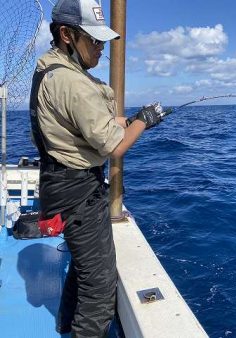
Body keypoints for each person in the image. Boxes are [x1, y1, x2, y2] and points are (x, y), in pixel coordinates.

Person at [29, 0, 162, 336]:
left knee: (84, 267)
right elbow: (115, 145)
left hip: (62, 185)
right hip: (77, 193)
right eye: (95, 40)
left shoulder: (52, 70)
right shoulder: (73, 84)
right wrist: (144, 122)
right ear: (67, 35)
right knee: (99, 287)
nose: (101, 48)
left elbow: (99, 123)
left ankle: (64, 324)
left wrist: (131, 121)